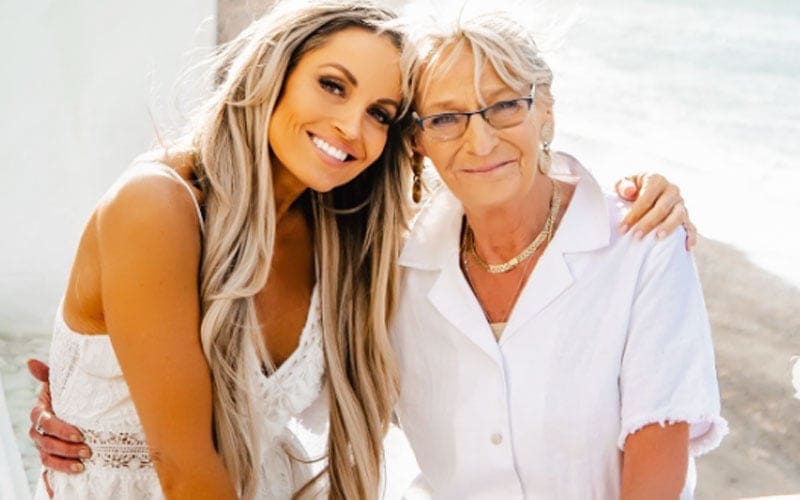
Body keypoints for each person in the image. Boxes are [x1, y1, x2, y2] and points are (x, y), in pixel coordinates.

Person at [27, 1, 695, 498]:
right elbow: (182, 465)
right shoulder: (158, 205)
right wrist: (102, 416)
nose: (351, 125)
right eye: (333, 85)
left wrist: (649, 198)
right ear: (276, 70)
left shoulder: (350, 241)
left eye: (380, 113)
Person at [390, 5, 726, 500]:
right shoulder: (394, 273)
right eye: (445, 118)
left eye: (505, 105)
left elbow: (656, 471)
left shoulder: (643, 243)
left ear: (544, 109)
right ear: (418, 141)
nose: (480, 142)